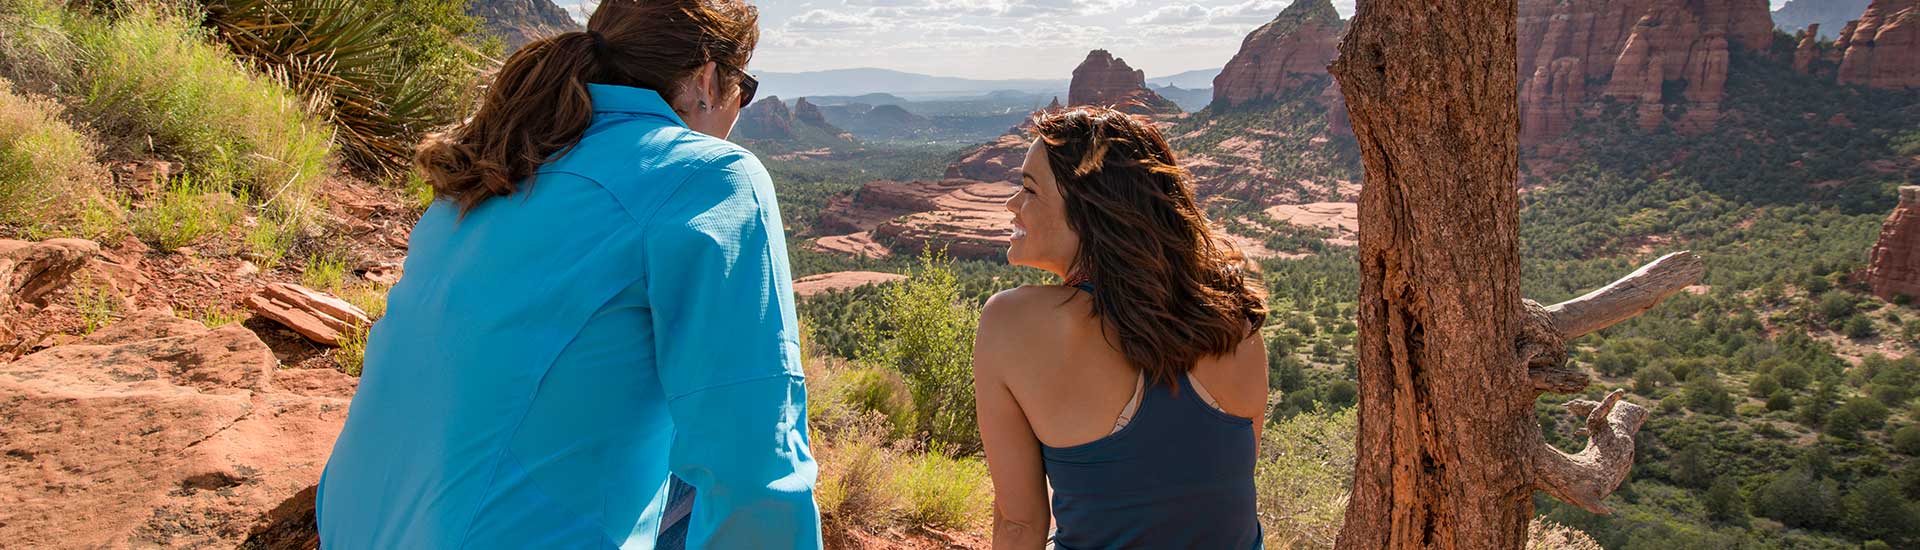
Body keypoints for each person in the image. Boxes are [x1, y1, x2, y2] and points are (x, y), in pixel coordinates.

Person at [315, 1, 821, 548]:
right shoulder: (711, 176)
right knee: (717, 445)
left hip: (354, 526)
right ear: (706, 80)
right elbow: (756, 462)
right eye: (741, 89)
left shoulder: (505, 157)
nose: (740, 107)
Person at [972, 107, 1271, 549]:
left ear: (1089, 210)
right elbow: (1206, 496)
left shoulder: (1011, 323)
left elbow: (1020, 526)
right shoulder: (1233, 320)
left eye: (1029, 190)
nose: (1011, 204)